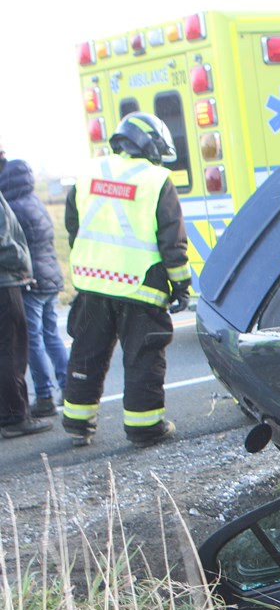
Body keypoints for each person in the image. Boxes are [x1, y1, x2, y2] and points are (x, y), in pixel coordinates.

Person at [63, 112, 191, 447]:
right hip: (140, 286)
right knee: (143, 356)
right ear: (150, 143)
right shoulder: (155, 179)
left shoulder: (89, 172)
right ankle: (144, 428)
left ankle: (77, 423)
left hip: (92, 283)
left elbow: (73, 226)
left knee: (86, 353)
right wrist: (181, 285)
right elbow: (172, 241)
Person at [0, 143, 68, 418]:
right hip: (52, 277)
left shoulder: (13, 206)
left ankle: (43, 396)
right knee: (52, 335)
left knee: (33, 341)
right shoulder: (35, 202)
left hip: (32, 279)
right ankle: (69, 387)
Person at [1, 192, 49, 438]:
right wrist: (21, 257)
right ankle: (14, 416)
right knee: (11, 348)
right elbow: (3, 241)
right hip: (4, 282)